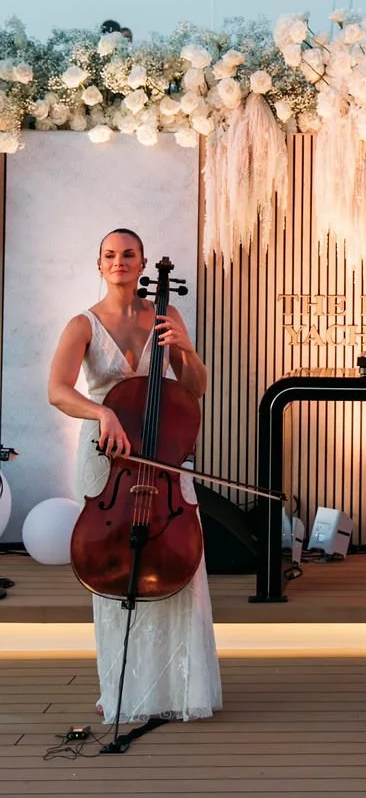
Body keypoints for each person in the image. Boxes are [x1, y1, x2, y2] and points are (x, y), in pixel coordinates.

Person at [48, 228, 222, 724]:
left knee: (177, 562)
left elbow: (196, 390)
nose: (119, 262)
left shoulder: (166, 317)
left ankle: (179, 686)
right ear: (99, 264)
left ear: (143, 262)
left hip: (162, 456)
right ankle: (119, 685)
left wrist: (187, 350)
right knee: (111, 567)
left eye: (128, 254)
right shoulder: (83, 323)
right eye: (110, 255)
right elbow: (57, 390)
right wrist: (102, 413)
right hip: (109, 458)